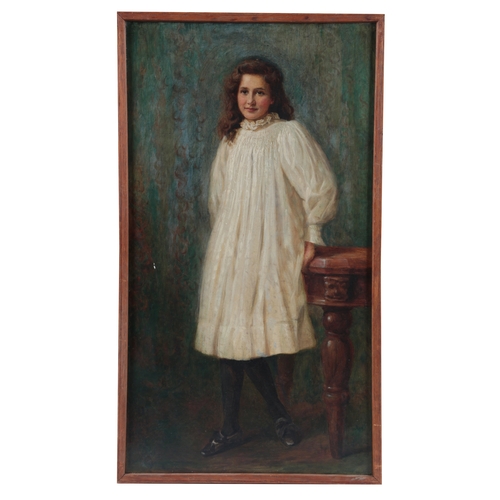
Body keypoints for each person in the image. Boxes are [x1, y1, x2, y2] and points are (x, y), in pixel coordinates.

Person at [195, 57, 338, 456]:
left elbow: (319, 187)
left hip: (273, 249)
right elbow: (218, 200)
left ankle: (260, 420)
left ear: (273, 96)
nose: (250, 99)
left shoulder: (287, 134)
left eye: (259, 92)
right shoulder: (231, 140)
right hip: (232, 250)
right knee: (231, 337)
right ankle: (248, 424)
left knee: (251, 337)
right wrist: (228, 244)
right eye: (244, 91)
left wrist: (312, 234)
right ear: (235, 95)